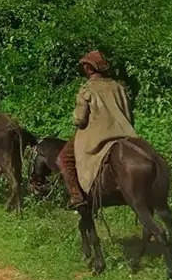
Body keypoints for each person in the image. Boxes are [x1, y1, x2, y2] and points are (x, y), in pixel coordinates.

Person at [59, 50, 139, 210]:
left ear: (89, 68)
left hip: (96, 135)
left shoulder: (87, 89)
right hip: (124, 133)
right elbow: (129, 115)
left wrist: (74, 115)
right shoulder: (118, 87)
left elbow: (80, 119)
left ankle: (77, 196)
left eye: (85, 67)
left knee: (64, 158)